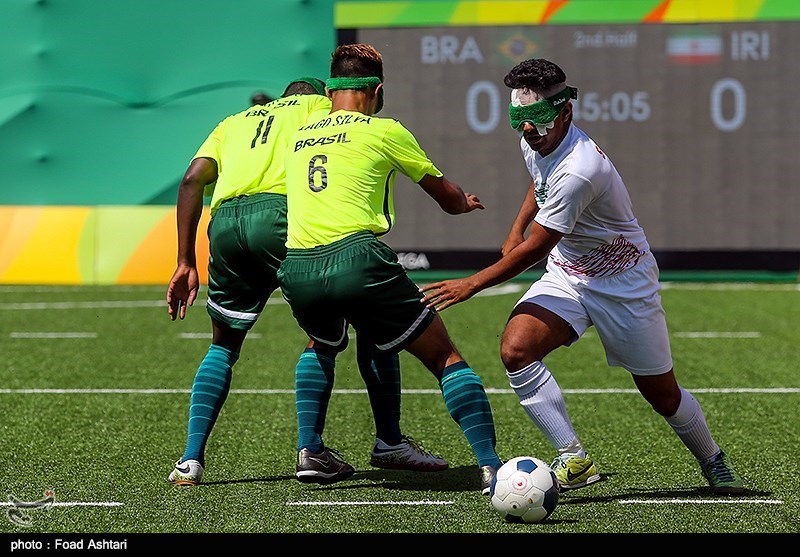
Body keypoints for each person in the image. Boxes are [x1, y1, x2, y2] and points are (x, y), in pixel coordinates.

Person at [420, 58, 745, 495]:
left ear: (567, 112)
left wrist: (471, 284)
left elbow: (538, 247)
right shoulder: (534, 141)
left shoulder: (581, 168)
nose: (527, 130)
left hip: (624, 283)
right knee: (517, 349)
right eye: (518, 118)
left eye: (536, 119)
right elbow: (539, 184)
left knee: (662, 395)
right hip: (570, 274)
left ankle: (712, 458)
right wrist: (513, 230)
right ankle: (574, 458)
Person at [166, 76, 446, 487]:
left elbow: (192, 180)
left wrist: (184, 261)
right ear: (323, 94)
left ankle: (190, 461)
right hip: (286, 218)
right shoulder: (319, 111)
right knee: (355, 326)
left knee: (224, 345)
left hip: (225, 225)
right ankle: (345, 446)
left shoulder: (234, 121)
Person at [277, 43, 504, 495]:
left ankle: (317, 450)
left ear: (329, 92)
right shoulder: (384, 130)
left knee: (324, 345)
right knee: (444, 357)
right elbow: (445, 195)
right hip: (357, 258)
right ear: (376, 90)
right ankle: (493, 467)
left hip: (297, 265)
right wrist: (465, 203)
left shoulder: (299, 136)